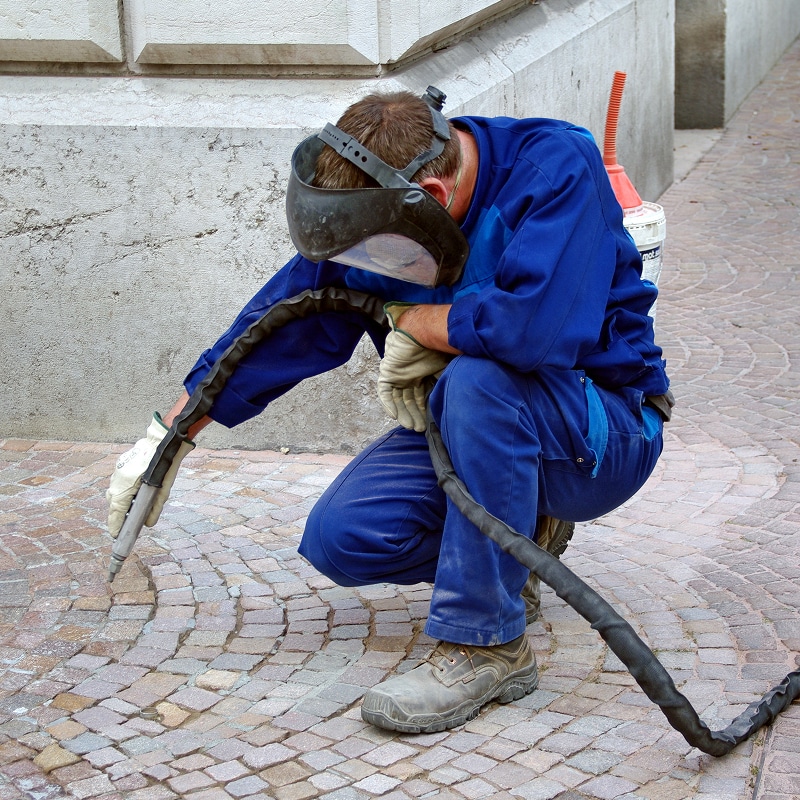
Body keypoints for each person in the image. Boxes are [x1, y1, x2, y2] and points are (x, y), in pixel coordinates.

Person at [107, 85, 672, 734]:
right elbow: (276, 322)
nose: (367, 266)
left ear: (428, 200)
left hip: (603, 430)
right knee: (345, 537)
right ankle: (526, 538)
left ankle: (487, 645)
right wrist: (170, 434)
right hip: (477, 428)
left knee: (478, 379)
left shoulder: (553, 167)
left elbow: (531, 331)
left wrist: (410, 320)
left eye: (373, 249)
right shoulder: (383, 214)